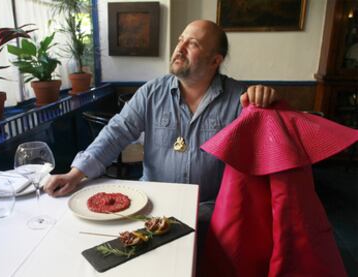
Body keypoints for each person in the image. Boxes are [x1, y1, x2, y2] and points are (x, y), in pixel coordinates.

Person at [45, 19, 277, 251]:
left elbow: (266, 153)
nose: (180, 47)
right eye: (180, 40)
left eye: (192, 43)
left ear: (215, 60)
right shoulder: (151, 92)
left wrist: (264, 103)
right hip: (151, 209)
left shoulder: (240, 99)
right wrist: (75, 174)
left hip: (209, 214)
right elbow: (116, 133)